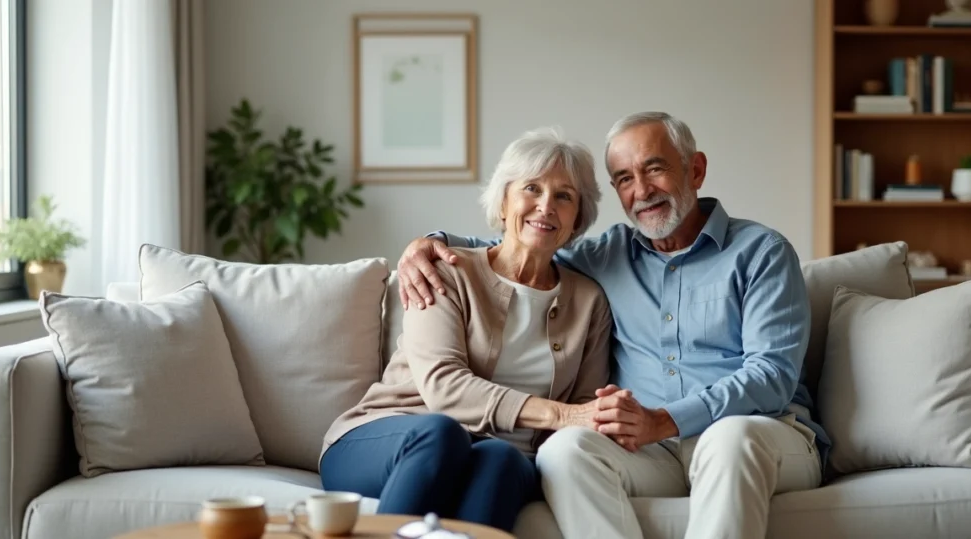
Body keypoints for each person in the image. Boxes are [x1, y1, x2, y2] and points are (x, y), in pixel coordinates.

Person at [396, 111, 831, 539]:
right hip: (650, 450)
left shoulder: (761, 252)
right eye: (624, 178)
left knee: (729, 439)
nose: (641, 190)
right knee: (565, 450)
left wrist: (666, 419)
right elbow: (521, 241)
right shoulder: (608, 255)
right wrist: (430, 243)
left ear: (695, 169)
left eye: (654, 169)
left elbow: (772, 376)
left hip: (762, 434)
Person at [318, 127, 615, 533]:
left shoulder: (590, 301)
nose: (546, 206)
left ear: (578, 216)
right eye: (532, 188)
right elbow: (444, 385)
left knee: (505, 460)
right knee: (443, 434)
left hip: (499, 456)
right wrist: (560, 414)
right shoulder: (447, 271)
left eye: (564, 196)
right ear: (505, 200)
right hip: (391, 440)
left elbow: (584, 407)